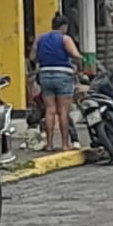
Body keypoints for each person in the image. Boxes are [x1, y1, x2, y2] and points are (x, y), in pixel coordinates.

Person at [34, 14, 84, 152]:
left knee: (49, 110)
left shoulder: (40, 38)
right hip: (63, 75)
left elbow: (32, 56)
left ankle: (49, 144)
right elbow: (76, 55)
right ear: (64, 26)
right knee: (63, 111)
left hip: (45, 75)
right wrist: (80, 69)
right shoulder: (65, 39)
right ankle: (65, 144)